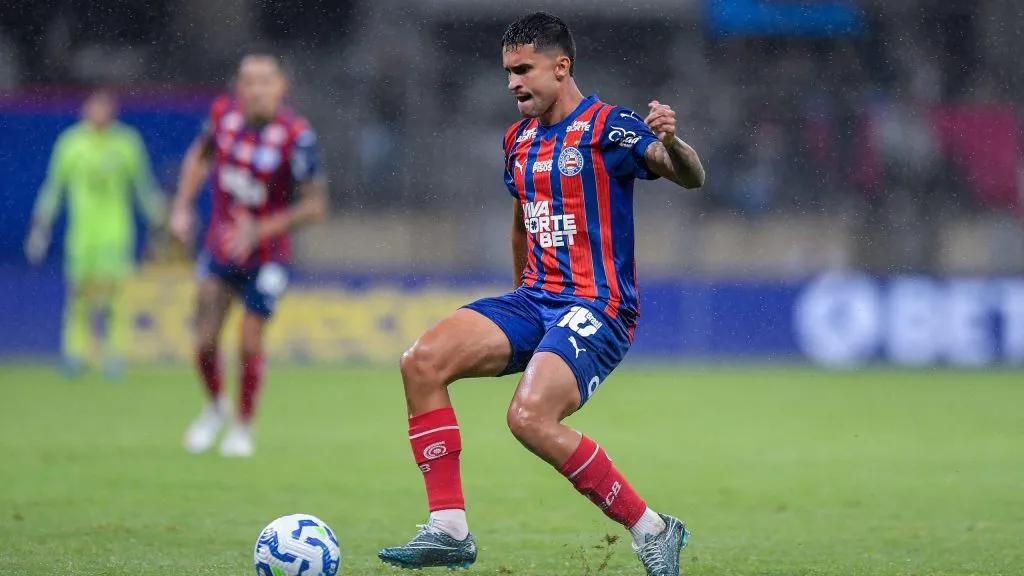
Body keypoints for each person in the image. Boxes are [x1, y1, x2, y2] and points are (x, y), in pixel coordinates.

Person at [378, 12, 705, 576]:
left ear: (561, 66)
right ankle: (449, 530)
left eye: (523, 69)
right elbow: (521, 217)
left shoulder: (609, 126)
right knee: (420, 363)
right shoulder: (518, 139)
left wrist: (673, 142)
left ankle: (653, 529)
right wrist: (517, 309)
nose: (513, 83)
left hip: (598, 307)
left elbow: (689, 175)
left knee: (528, 417)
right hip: (534, 300)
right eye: (508, 72)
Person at [169, 54, 328, 458]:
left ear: (281, 87)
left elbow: (315, 205)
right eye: (249, 82)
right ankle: (215, 406)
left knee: (248, 340)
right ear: (238, 88)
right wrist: (182, 207)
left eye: (265, 81)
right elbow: (200, 156)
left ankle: (243, 425)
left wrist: (260, 229)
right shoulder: (223, 116)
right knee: (204, 339)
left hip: (269, 254)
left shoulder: (297, 135)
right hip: (221, 246)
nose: (257, 89)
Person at [25, 89, 166, 379]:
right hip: (82, 234)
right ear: (86, 110)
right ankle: (74, 353)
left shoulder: (126, 143)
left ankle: (114, 354)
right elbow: (55, 188)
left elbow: (143, 187)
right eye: (94, 108)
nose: (99, 114)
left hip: (115, 232)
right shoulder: (71, 143)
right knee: (78, 293)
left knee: (114, 294)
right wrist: (41, 227)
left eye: (105, 108)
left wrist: (159, 220)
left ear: (112, 111)